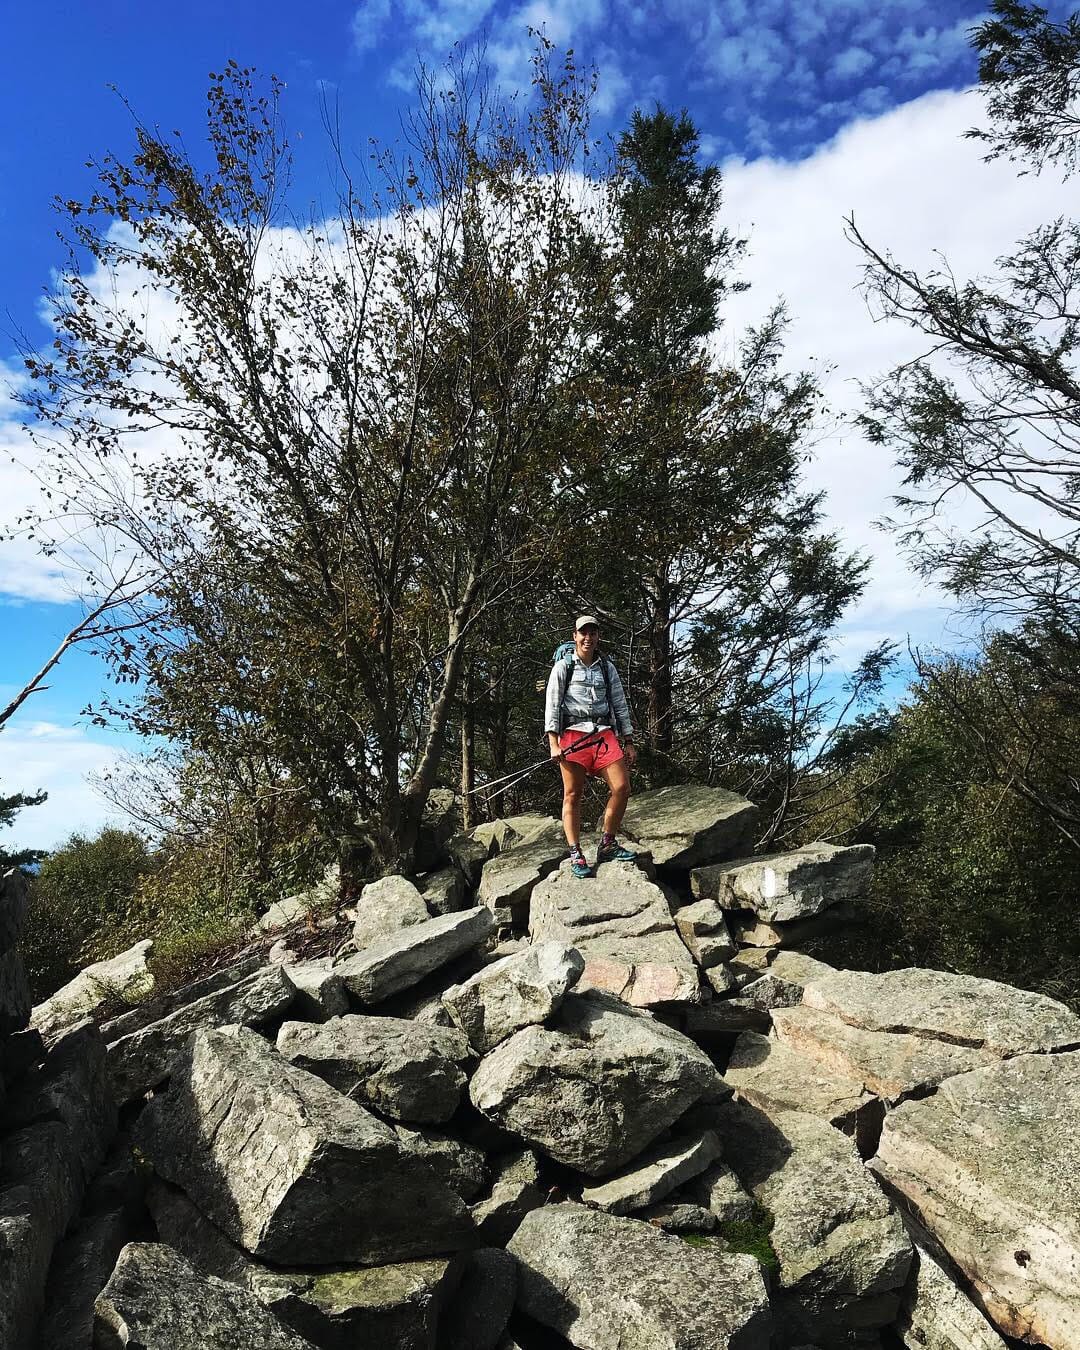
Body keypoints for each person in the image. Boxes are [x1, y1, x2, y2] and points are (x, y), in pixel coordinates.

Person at [545, 615, 638, 879]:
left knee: (622, 787)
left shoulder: (607, 668)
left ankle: (607, 843)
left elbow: (619, 703)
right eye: (583, 633)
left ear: (598, 636)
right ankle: (575, 852)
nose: (588, 638)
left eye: (593, 633)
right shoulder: (563, 667)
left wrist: (628, 740)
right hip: (572, 734)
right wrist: (553, 742)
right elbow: (552, 704)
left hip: (603, 734)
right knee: (572, 794)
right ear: (574, 636)